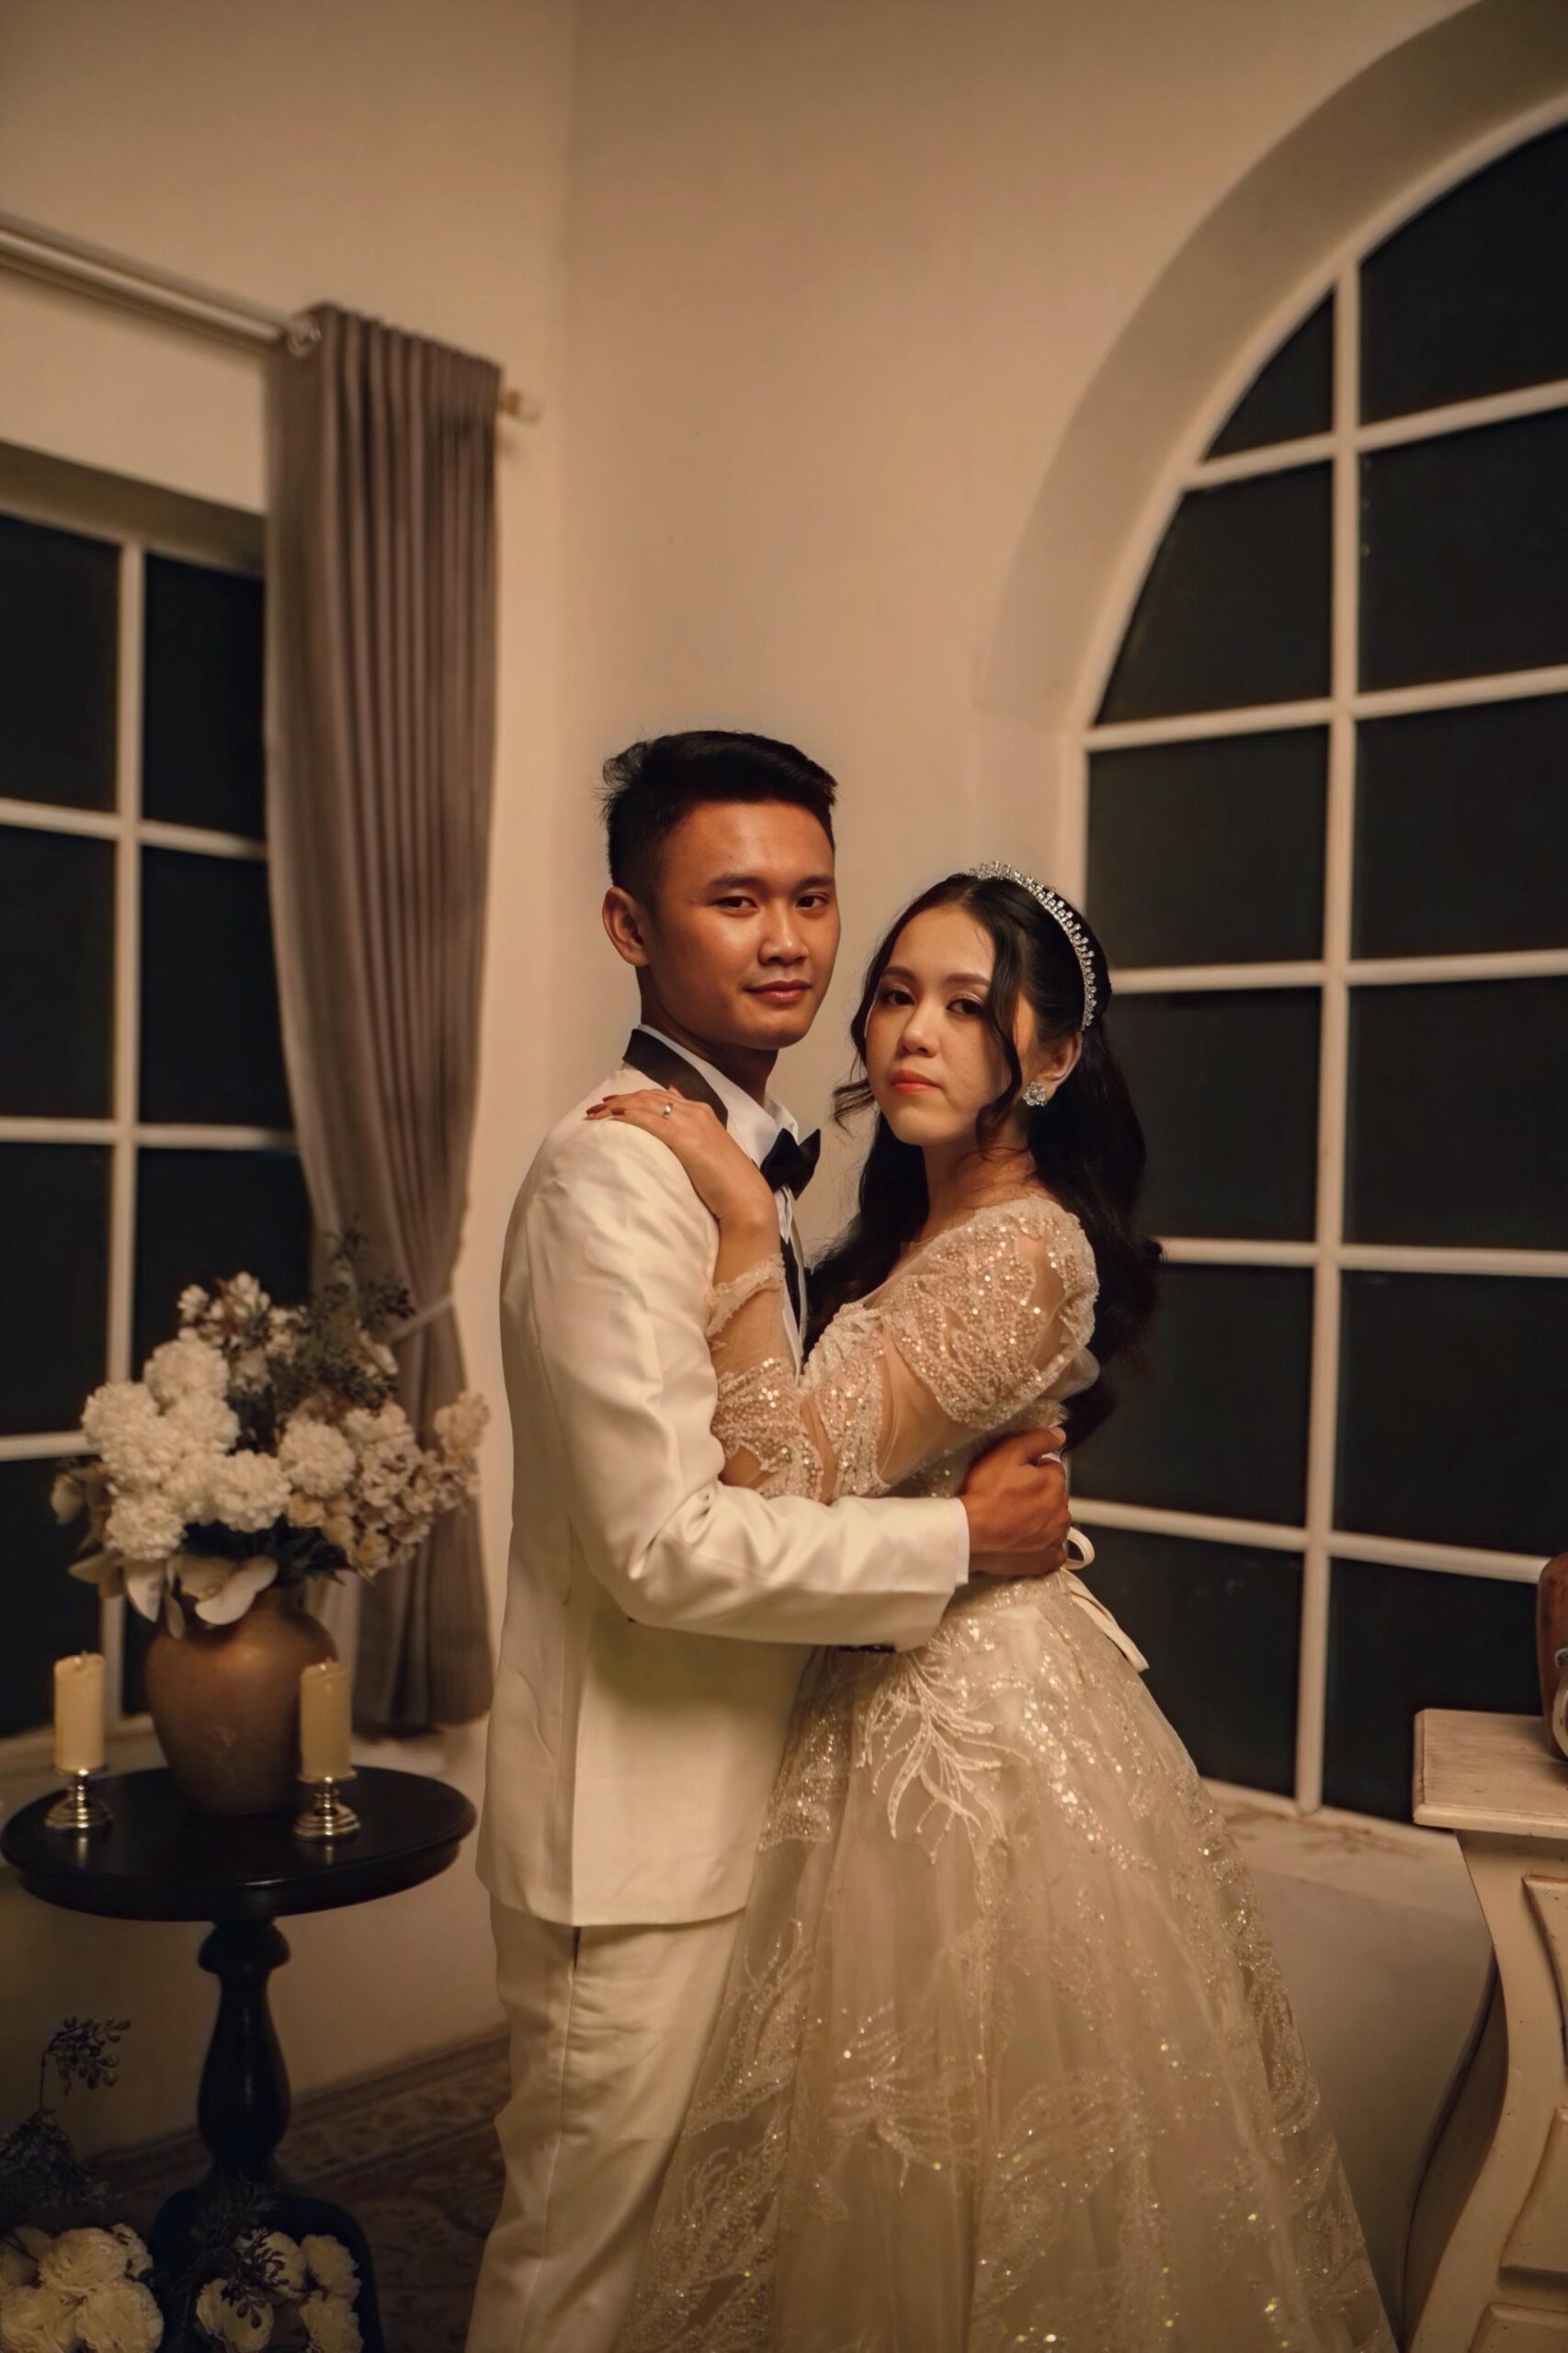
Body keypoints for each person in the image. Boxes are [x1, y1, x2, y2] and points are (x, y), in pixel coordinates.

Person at [601, 863, 1394, 2353]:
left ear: (1051, 1051)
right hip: (887, 1679)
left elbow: (779, 1475)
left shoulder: (1024, 1248)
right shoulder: (916, 1230)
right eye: (895, 994)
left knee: (965, 2148)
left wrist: (734, 1230)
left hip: (972, 1729)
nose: (914, 1030)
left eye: (969, 1005)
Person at [467, 736, 1081, 2353]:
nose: (787, 940)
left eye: (810, 898)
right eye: (734, 900)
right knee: (581, 2277)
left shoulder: (761, 1165)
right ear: (629, 924)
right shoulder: (614, 1174)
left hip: (768, 1809)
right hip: (635, 1836)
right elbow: (663, 1548)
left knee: (704, 2278)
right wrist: (955, 1541)